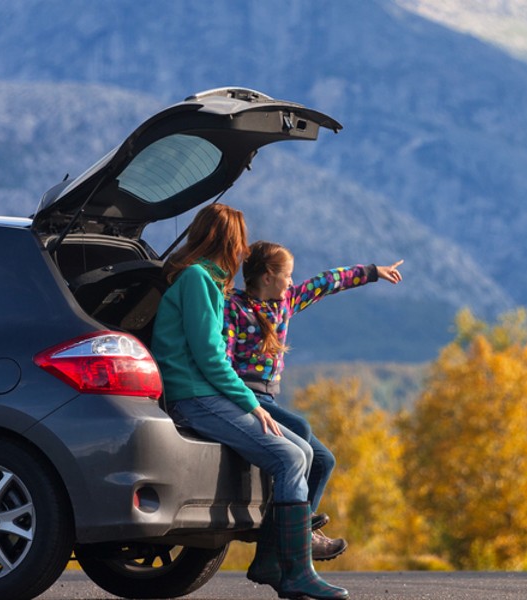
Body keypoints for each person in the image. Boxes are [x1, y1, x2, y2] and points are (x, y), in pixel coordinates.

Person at [151, 204, 347, 600]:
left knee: (305, 453)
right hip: (195, 396)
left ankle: (275, 561)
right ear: (228, 240)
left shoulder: (205, 281)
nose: (243, 251)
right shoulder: (196, 280)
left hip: (206, 392)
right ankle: (295, 573)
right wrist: (251, 404)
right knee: (291, 457)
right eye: (239, 240)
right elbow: (209, 356)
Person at [225, 240, 403, 565]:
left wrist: (374, 272)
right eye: (287, 275)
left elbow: (327, 282)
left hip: (269, 396)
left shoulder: (286, 302)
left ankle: (297, 525)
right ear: (267, 276)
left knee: (324, 461)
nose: (292, 282)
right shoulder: (233, 308)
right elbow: (223, 361)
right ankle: (297, 535)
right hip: (246, 398)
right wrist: (243, 401)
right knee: (302, 429)